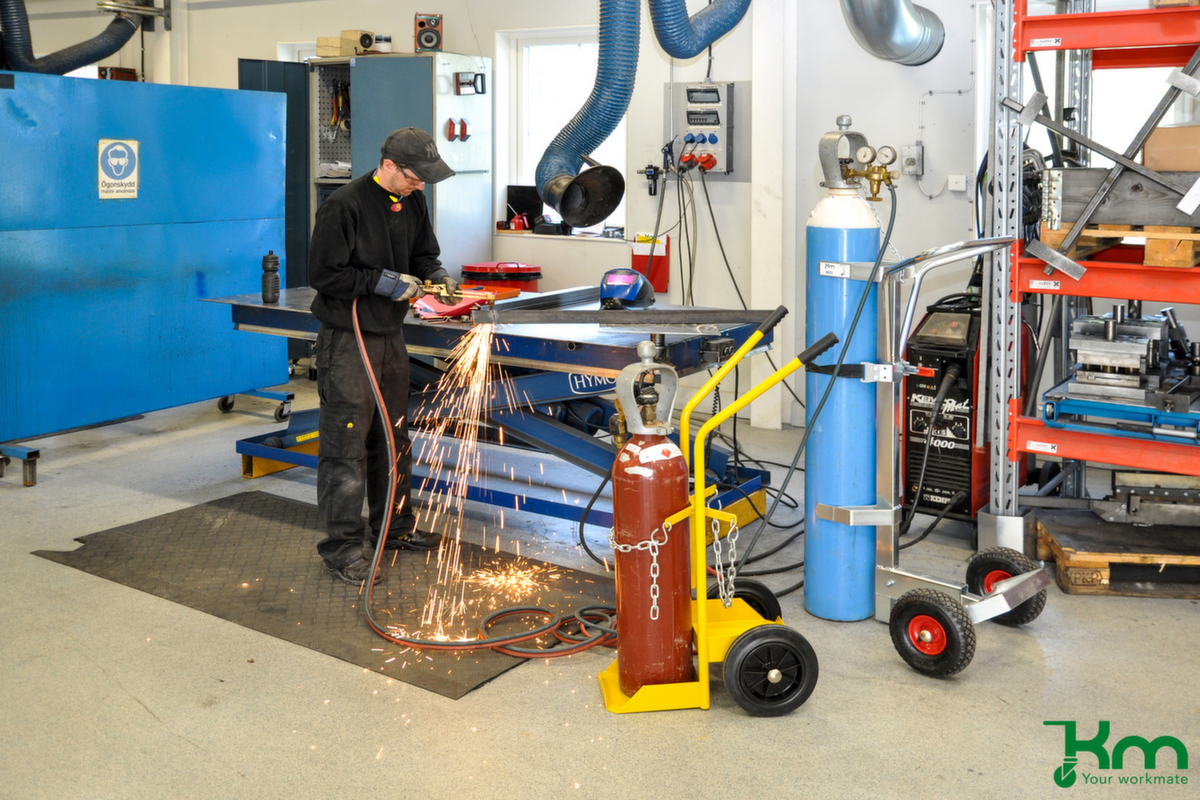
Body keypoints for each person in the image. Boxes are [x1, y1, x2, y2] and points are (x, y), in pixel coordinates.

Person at [308, 127, 461, 584]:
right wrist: (382, 282)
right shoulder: (344, 206)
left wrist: (437, 275)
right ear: (389, 166)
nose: (421, 186)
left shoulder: (412, 198)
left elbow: (422, 253)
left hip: (389, 334)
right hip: (348, 337)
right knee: (346, 445)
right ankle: (342, 548)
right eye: (415, 177)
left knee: (393, 438)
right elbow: (323, 274)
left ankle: (393, 528)